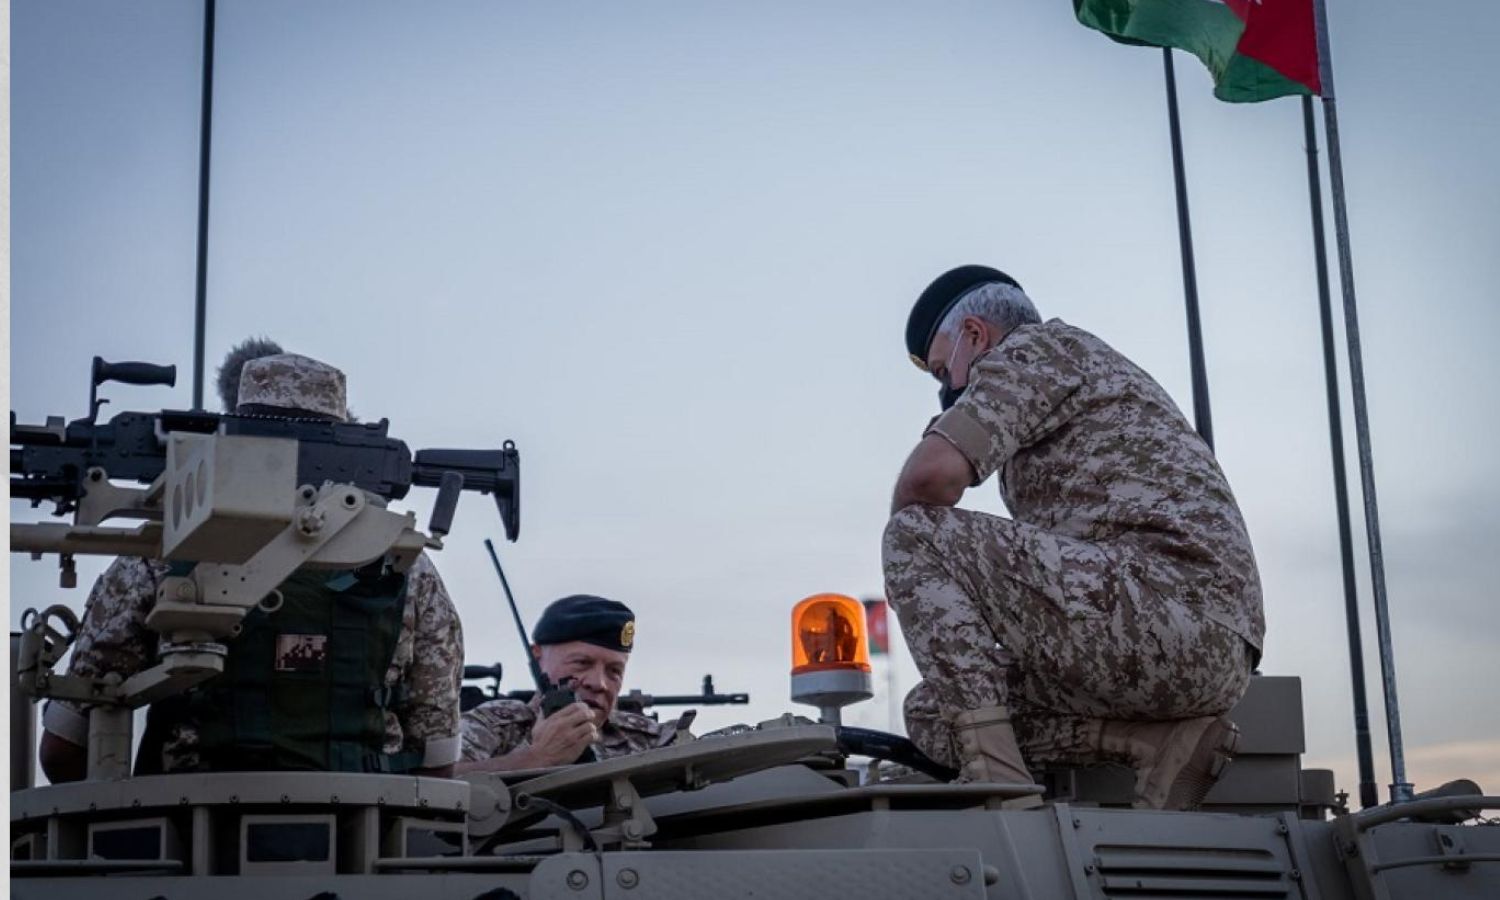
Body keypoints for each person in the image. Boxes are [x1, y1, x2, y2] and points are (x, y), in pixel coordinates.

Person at [886, 265, 1263, 809]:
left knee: (914, 532)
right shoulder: (1074, 369)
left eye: (946, 371)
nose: (950, 390)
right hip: (1184, 641)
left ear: (975, 335)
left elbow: (928, 482)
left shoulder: (1035, 351)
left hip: (1170, 612)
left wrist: (910, 556)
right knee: (933, 711)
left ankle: (1001, 786)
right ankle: (1154, 745)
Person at [38, 351, 464, 781]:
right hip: (360, 832)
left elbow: (65, 747)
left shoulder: (161, 549)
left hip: (185, 835)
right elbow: (436, 761)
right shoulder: (407, 565)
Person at [457, 595, 692, 772]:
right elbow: (433, 787)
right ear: (538, 658)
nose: (599, 683)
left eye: (614, 671)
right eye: (581, 663)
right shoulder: (491, 726)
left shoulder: (647, 740)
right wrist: (536, 758)